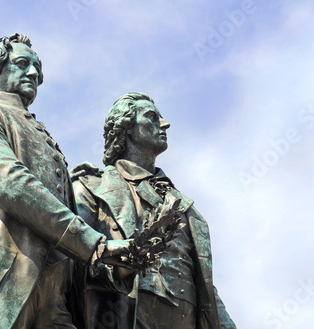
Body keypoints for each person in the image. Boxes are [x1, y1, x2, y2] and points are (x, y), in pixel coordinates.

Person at [0, 33, 131, 329]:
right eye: (22, 64)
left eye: (37, 67)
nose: (34, 73)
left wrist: (115, 264)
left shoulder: (41, 136)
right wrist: (94, 243)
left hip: (55, 296)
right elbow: (12, 183)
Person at [72, 92, 237, 329]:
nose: (164, 123)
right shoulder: (91, 186)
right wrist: (121, 268)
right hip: (123, 316)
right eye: (152, 117)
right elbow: (73, 263)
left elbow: (205, 286)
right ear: (126, 127)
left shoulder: (186, 207)